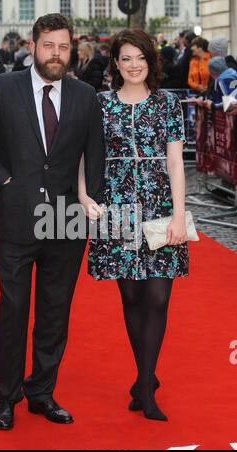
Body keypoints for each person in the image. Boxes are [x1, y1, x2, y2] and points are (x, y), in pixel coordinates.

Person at [0, 13, 104, 431]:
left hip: (66, 220)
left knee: (55, 313)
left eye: (63, 46)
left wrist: (88, 203)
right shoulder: (3, 88)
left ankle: (41, 391)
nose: (56, 54)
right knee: (13, 309)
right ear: (33, 45)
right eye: (49, 45)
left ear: (72, 48)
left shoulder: (85, 95)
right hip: (15, 218)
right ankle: (5, 396)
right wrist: (3, 181)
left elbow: (93, 155)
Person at [79, 29, 189, 422]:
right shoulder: (100, 104)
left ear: (150, 60)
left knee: (157, 297)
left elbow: (176, 162)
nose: (134, 65)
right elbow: (84, 154)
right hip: (117, 208)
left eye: (140, 57)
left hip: (160, 203)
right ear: (115, 63)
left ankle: (144, 384)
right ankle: (145, 380)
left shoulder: (167, 104)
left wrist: (179, 214)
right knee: (130, 298)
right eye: (125, 58)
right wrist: (82, 194)